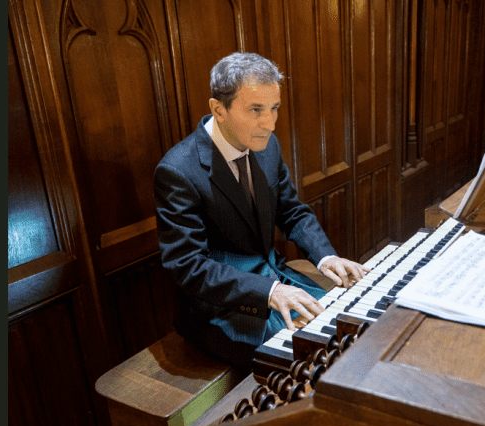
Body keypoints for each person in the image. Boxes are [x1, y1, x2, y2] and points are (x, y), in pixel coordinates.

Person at [154, 52, 368, 368]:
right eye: (255, 110)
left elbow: (292, 210)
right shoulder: (177, 170)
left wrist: (326, 257)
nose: (268, 123)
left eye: (274, 109)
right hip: (218, 309)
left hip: (273, 277)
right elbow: (187, 266)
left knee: (353, 323)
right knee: (317, 356)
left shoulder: (268, 145)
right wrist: (269, 291)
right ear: (218, 109)